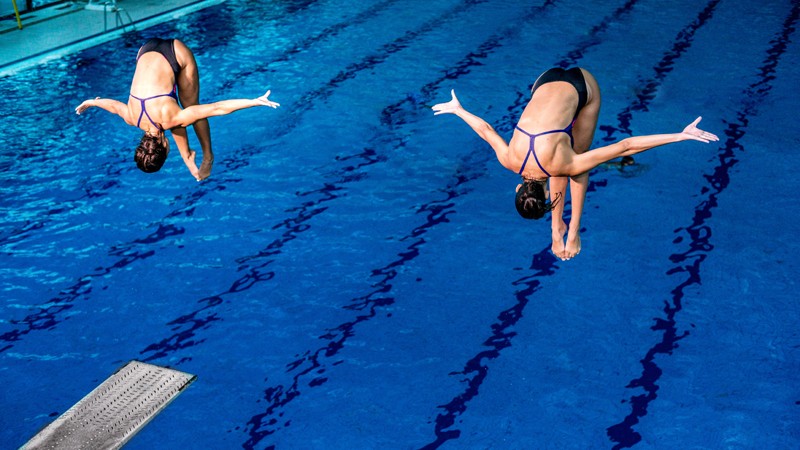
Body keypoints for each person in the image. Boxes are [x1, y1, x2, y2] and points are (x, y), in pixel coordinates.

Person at [432, 67, 718, 261]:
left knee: (578, 160)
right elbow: (486, 131)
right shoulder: (509, 160)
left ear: (546, 195)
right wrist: (458, 110)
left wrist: (681, 136)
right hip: (544, 80)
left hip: (583, 86)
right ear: (518, 188)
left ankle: (569, 230)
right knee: (569, 162)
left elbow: (625, 147)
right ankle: (559, 230)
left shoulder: (564, 165)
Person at [75, 38, 279, 181]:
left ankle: (207, 155)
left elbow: (217, 108)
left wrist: (255, 101)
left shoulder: (173, 119)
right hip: (146, 49)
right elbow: (112, 106)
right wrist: (91, 102)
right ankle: (189, 158)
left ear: (165, 147)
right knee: (177, 118)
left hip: (175, 51)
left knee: (191, 109)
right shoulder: (131, 117)